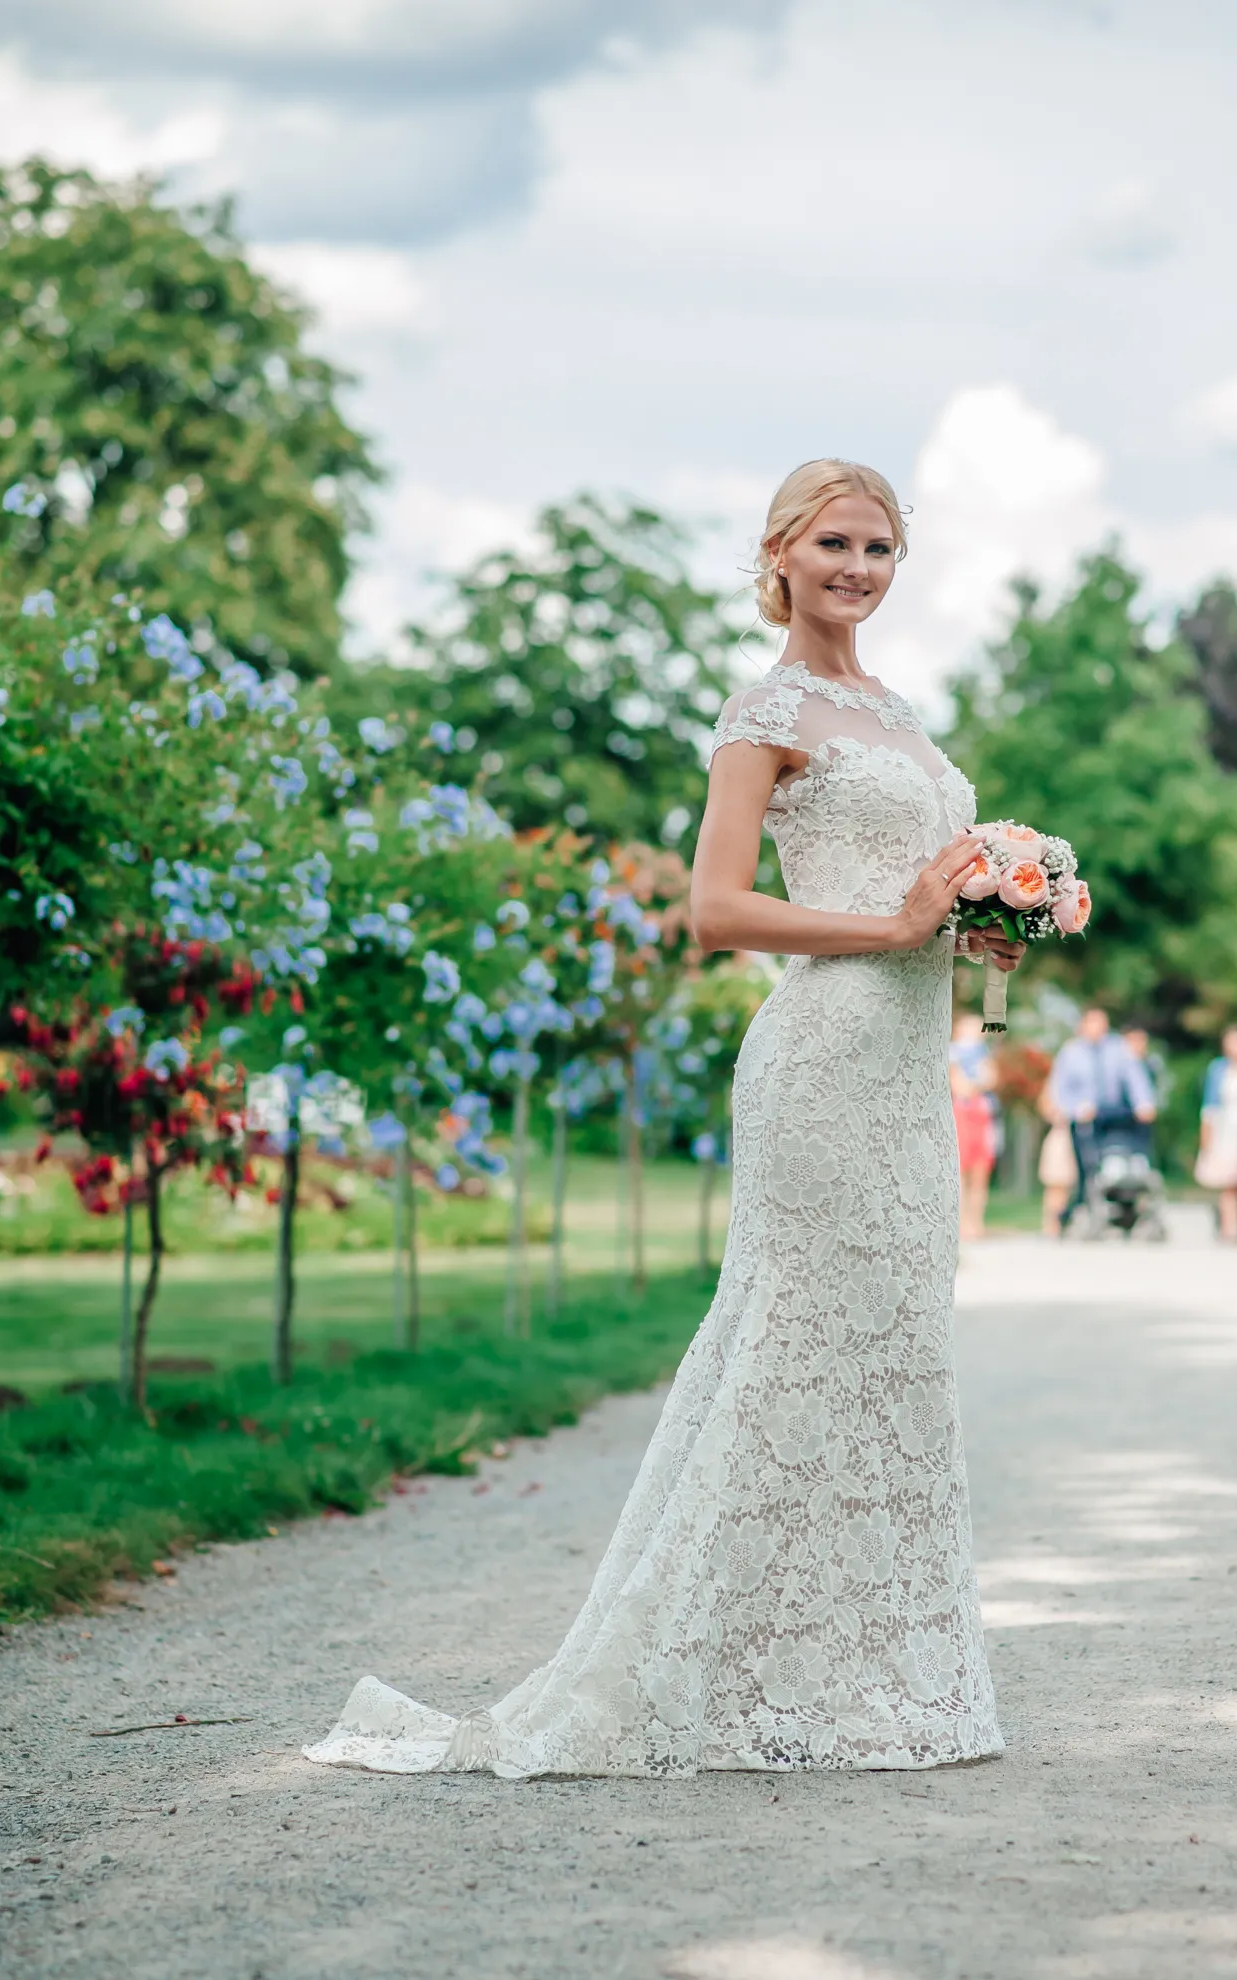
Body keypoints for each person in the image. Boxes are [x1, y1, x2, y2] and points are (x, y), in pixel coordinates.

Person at [306, 457, 1022, 1778]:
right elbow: (716, 911)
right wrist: (898, 923)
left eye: (880, 550)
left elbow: (926, 902)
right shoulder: (765, 713)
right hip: (820, 1060)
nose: (860, 570)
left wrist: (989, 930)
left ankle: (868, 1683)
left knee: (890, 1361)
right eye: (836, 546)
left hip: (909, 1078)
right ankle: (717, 1675)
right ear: (782, 554)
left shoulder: (904, 716)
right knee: (790, 1355)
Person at [1049, 1007, 1156, 1232]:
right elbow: (1059, 1087)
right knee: (1086, 1169)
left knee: (1125, 1160)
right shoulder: (1071, 1052)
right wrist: (1072, 1108)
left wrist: (1144, 1103)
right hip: (1084, 1119)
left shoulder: (1118, 1049)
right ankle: (1078, 1210)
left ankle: (1126, 1208)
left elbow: (1134, 1078)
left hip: (1113, 1116)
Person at [1194, 1026, 1237, 1241]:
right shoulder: (1218, 1069)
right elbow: (1210, 1106)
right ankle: (1230, 1227)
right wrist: (1207, 1134)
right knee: (1229, 1180)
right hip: (1227, 1128)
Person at [950, 1012, 997, 1241]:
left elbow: (992, 1079)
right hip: (962, 1115)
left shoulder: (983, 1054)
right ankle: (960, 1222)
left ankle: (976, 1222)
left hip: (981, 1115)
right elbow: (960, 1087)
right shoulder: (953, 1053)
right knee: (961, 1170)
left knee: (981, 1171)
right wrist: (978, 1082)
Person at [1036, 1076, 1078, 1237]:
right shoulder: (1056, 1083)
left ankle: (1060, 1225)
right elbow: (1045, 1106)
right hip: (1062, 1137)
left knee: (1066, 1186)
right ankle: (1052, 1226)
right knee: (1057, 1185)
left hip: (1074, 1137)